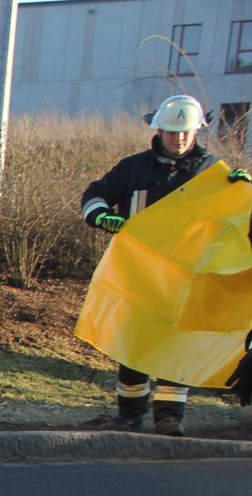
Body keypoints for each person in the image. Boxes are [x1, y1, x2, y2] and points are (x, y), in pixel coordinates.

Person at [79, 95, 218, 436]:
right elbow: (95, 194)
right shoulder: (134, 168)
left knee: (175, 345)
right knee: (134, 343)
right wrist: (102, 216)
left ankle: (170, 417)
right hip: (138, 272)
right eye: (172, 131)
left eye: (185, 131)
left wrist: (242, 191)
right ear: (159, 129)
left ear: (196, 131)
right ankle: (129, 415)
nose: (179, 138)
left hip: (186, 274)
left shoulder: (213, 172)